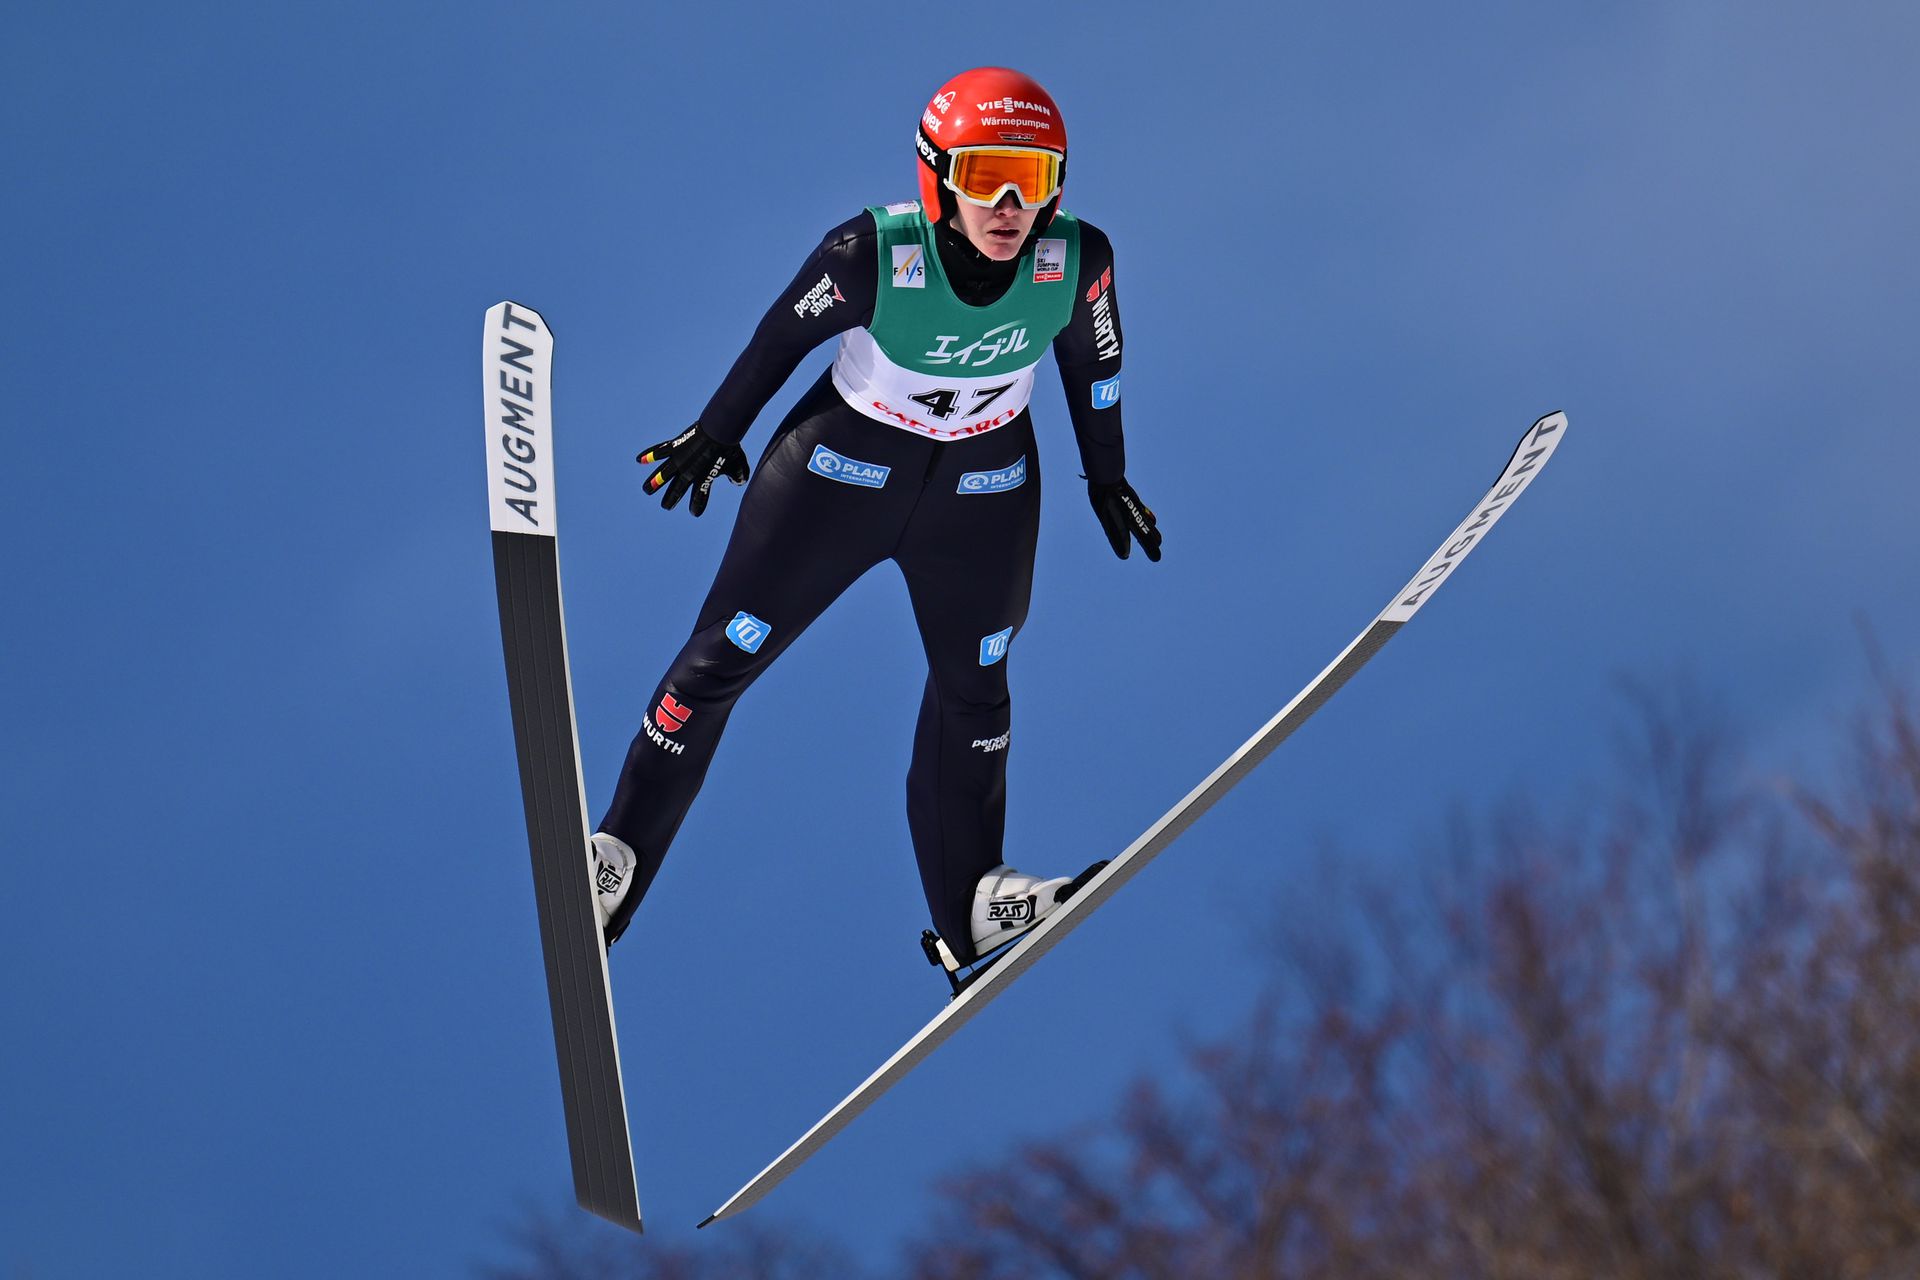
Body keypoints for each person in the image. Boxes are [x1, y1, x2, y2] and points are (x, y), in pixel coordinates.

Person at [587, 67, 1160, 975]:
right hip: (839, 474)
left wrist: (1108, 476)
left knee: (979, 687)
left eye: (1033, 176)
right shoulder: (872, 254)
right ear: (939, 177)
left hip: (985, 484)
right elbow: (779, 339)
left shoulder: (1077, 260)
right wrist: (714, 433)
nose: (1010, 204)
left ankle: (975, 905)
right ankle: (615, 854)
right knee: (718, 658)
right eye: (984, 177)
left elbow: (1097, 366)